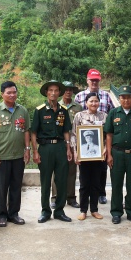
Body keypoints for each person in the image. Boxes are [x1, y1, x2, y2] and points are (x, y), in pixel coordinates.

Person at [0, 81, 32, 227]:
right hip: (2, 157)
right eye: (9, 93)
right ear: (2, 94)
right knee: (1, 187)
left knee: (16, 186)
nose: (12, 95)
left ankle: (14, 214)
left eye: (14, 92)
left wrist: (27, 149)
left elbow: (26, 131)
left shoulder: (22, 111)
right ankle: (1, 215)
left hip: (18, 156)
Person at [104, 85, 131, 224]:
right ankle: (116, 212)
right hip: (117, 154)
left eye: (128, 97)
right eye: (123, 97)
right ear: (119, 98)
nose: (125, 100)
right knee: (116, 184)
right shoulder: (113, 113)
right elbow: (109, 135)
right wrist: (109, 154)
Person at [31, 80, 73, 223]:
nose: (53, 93)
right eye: (51, 90)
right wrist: (35, 151)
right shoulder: (40, 110)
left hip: (60, 147)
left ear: (59, 93)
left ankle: (60, 211)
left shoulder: (63, 110)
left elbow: (66, 130)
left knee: (61, 180)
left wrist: (68, 148)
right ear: (46, 92)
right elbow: (33, 133)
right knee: (45, 181)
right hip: (46, 148)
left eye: (56, 90)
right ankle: (45, 211)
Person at [75, 68, 114, 204]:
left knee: (101, 170)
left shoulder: (106, 96)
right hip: (84, 141)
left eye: (96, 80)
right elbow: (76, 121)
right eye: (92, 80)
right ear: (87, 80)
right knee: (85, 174)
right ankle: (85, 201)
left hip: (101, 142)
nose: (94, 82)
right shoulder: (79, 96)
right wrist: (76, 149)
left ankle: (101, 194)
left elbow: (112, 114)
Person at [71, 92, 107, 220]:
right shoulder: (79, 116)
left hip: (99, 155)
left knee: (97, 183)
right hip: (84, 156)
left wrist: (106, 149)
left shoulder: (104, 116)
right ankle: (83, 210)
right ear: (86, 103)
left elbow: (107, 136)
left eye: (96, 101)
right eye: (91, 101)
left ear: (99, 103)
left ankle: (94, 209)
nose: (94, 103)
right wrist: (76, 152)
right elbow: (74, 135)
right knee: (84, 183)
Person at [50, 81, 83, 209]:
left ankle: (71, 197)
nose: (68, 92)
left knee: (72, 171)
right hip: (59, 141)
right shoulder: (56, 106)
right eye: (66, 89)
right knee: (56, 171)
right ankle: (55, 197)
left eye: (71, 89)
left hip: (73, 142)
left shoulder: (78, 107)